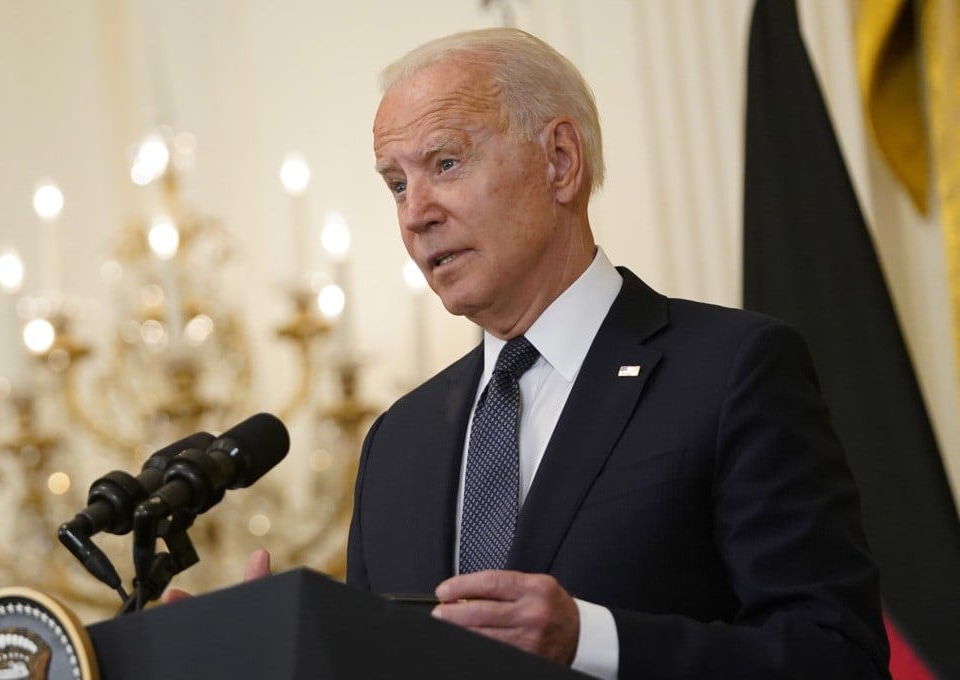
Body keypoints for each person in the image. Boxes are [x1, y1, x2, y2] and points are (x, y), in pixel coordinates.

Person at [342, 27, 891, 680]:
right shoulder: (395, 443)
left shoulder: (732, 373)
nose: (415, 215)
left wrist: (590, 641)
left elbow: (836, 658)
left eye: (446, 164)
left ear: (561, 161)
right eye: (397, 185)